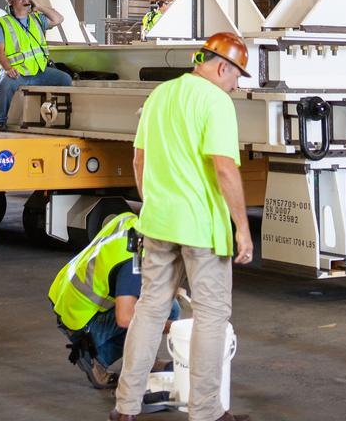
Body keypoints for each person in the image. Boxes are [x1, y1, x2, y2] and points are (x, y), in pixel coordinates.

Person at [110, 32, 254, 421]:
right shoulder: (216, 101)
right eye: (237, 76)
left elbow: (138, 160)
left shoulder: (160, 95)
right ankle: (206, 412)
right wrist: (242, 227)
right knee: (210, 316)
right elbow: (224, 167)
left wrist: (153, 202)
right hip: (201, 228)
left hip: (157, 223)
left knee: (149, 312)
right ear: (222, 66)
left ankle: (125, 408)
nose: (236, 85)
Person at [50, 210, 180, 391]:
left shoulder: (129, 221)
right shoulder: (131, 263)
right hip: (79, 320)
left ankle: (146, 359)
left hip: (64, 295)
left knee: (162, 301)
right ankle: (98, 359)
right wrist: (173, 327)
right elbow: (125, 318)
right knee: (166, 310)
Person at [0, 0, 72, 130]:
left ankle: (58, 117)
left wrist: (39, 6)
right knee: (4, 85)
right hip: (18, 72)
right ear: (11, 1)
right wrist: (8, 68)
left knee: (65, 79)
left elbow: (59, 18)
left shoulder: (37, 19)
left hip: (39, 70)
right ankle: (0, 122)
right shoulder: (3, 24)